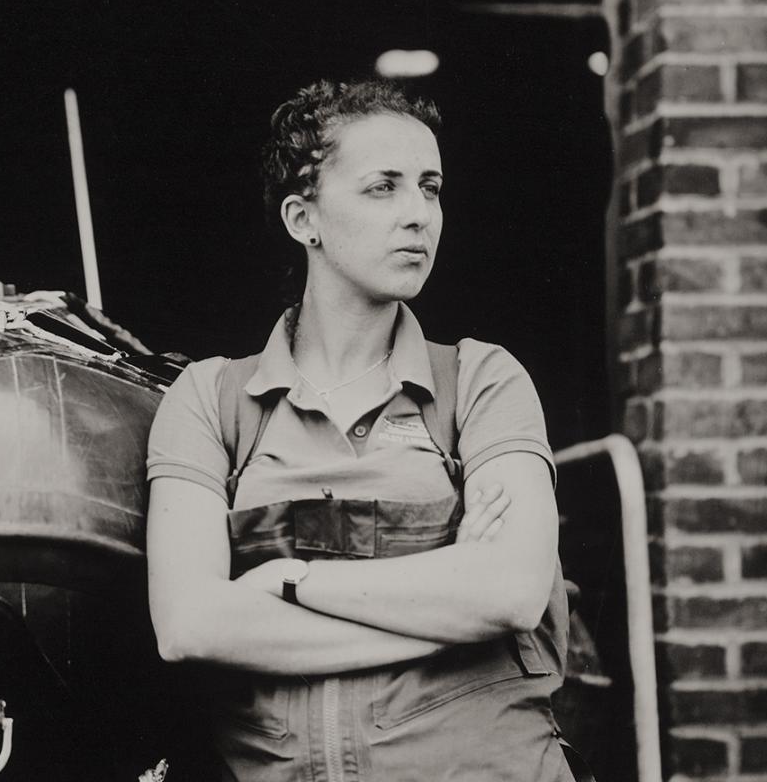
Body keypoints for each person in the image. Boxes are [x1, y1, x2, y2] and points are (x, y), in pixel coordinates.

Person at [145, 79, 576, 781]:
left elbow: (511, 591)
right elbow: (190, 626)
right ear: (301, 218)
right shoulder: (211, 399)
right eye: (384, 188)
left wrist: (288, 582)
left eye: (430, 188)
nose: (419, 216)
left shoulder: (481, 382)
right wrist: (441, 606)